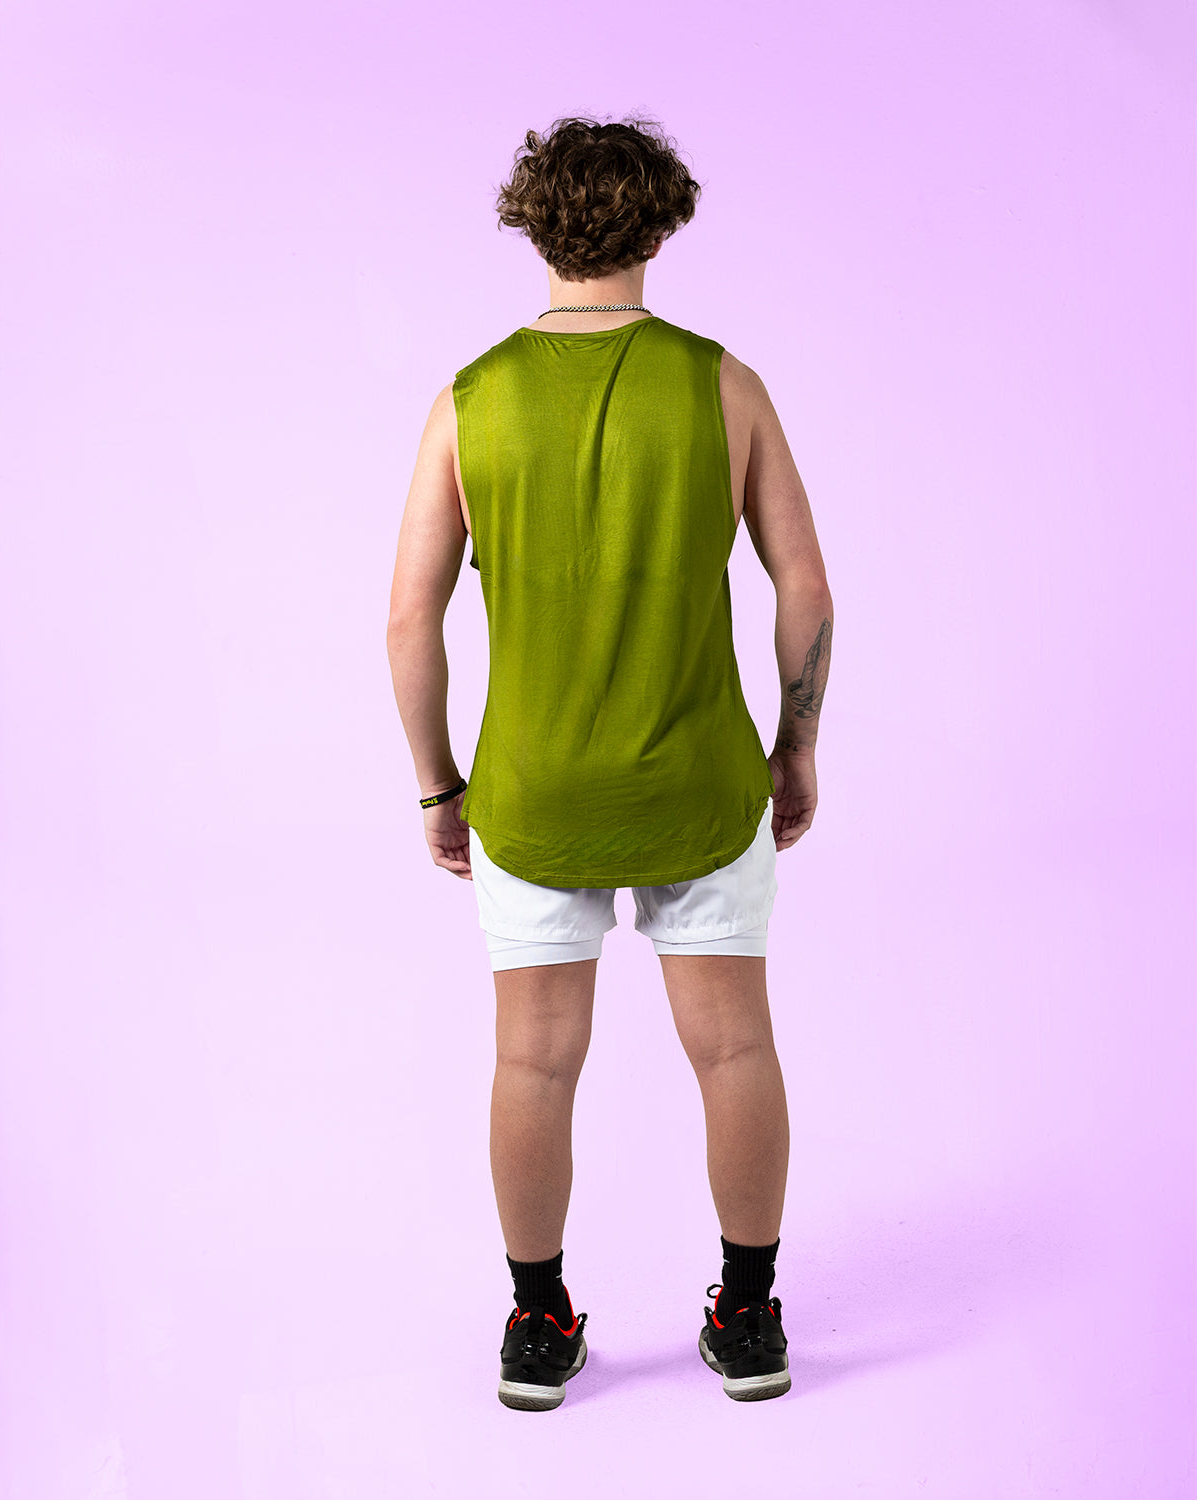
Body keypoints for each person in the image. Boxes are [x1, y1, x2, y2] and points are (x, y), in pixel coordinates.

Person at [385, 115, 833, 1409]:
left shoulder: (469, 402)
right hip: (700, 780)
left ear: (532, 221)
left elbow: (411, 620)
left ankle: (538, 1326)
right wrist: (796, 746)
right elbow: (805, 588)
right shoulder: (725, 386)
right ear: (661, 224)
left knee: (532, 1061)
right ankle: (748, 1319)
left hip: (533, 793)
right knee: (734, 1050)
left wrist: (440, 785)